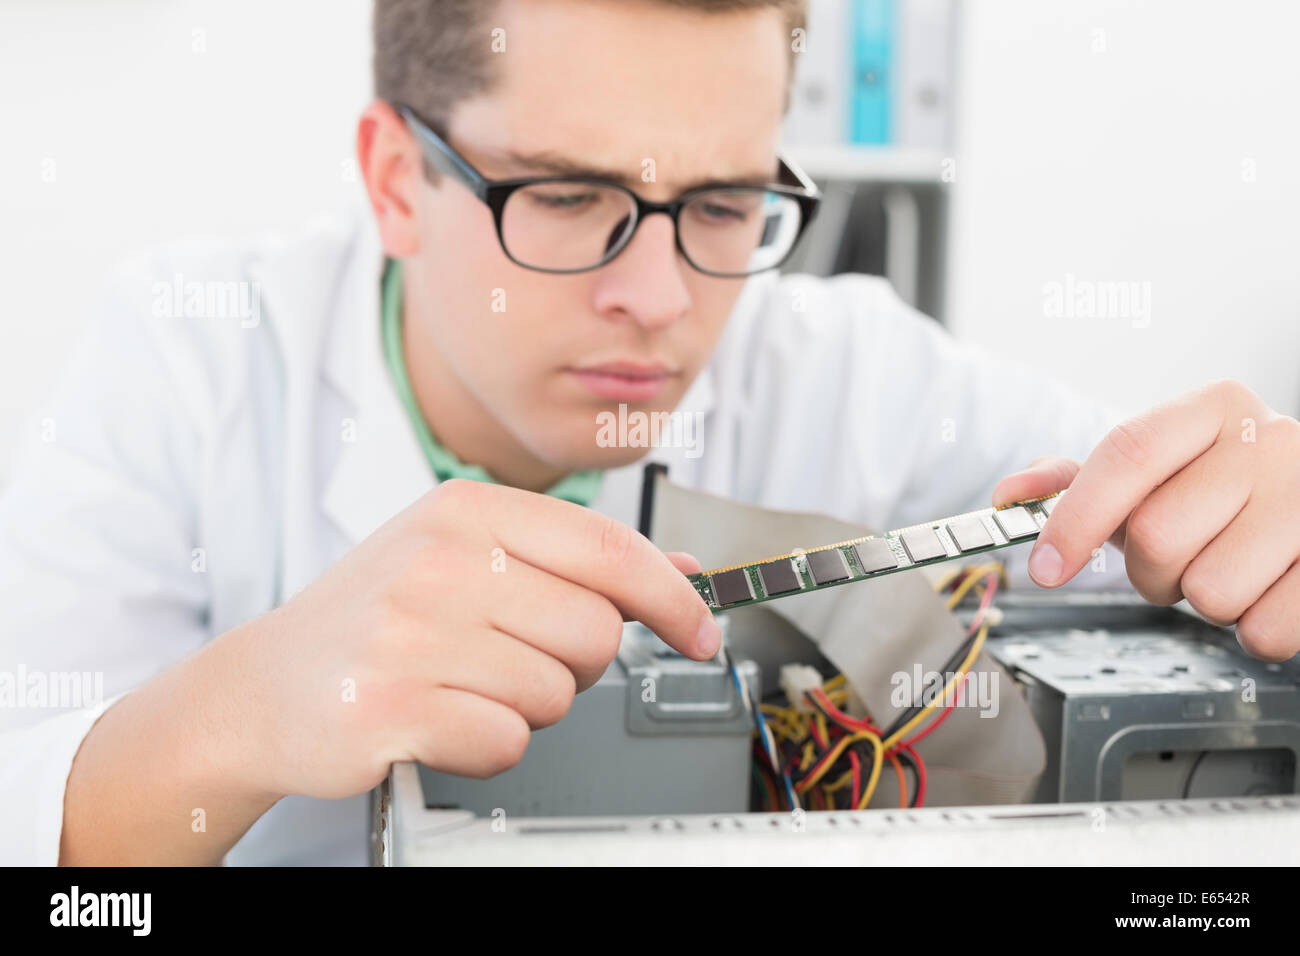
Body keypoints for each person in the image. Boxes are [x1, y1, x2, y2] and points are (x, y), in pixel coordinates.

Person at [1, 0, 1296, 867]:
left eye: (726, 204)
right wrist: (247, 704)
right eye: (568, 198)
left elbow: (1160, 514)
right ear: (398, 181)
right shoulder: (191, 361)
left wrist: (1256, 508)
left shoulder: (851, 372)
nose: (664, 302)